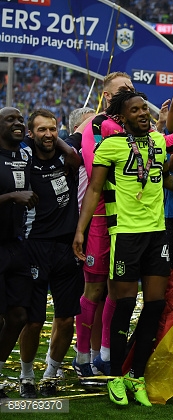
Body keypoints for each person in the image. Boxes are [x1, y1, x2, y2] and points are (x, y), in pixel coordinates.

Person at [73, 89, 173, 407]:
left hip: (157, 237)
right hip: (125, 235)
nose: (143, 113)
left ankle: (135, 376)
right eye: (135, 109)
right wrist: (81, 231)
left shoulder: (156, 141)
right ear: (122, 117)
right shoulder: (109, 147)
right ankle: (114, 377)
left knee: (153, 307)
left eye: (145, 108)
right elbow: (95, 189)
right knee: (123, 306)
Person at [74, 72, 135, 380]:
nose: (130, 93)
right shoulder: (96, 125)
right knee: (95, 289)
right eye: (123, 90)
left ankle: (107, 354)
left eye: (132, 89)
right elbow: (97, 169)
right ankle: (82, 354)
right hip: (100, 217)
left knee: (118, 289)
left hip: (128, 219)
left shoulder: (136, 127)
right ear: (108, 97)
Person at [18, 109, 83, 397]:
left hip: (67, 247)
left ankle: (51, 373)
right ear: (30, 133)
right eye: (41, 130)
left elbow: (76, 158)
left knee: (66, 318)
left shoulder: (65, 158)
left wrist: (57, 140)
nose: (48, 134)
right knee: (33, 320)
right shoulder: (24, 159)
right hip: (34, 246)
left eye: (53, 129)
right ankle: (27, 375)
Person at [0, 107, 38, 400]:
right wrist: (13, 196)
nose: (17, 123)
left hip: (17, 245)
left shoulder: (26, 156)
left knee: (19, 314)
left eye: (20, 119)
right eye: (9, 119)